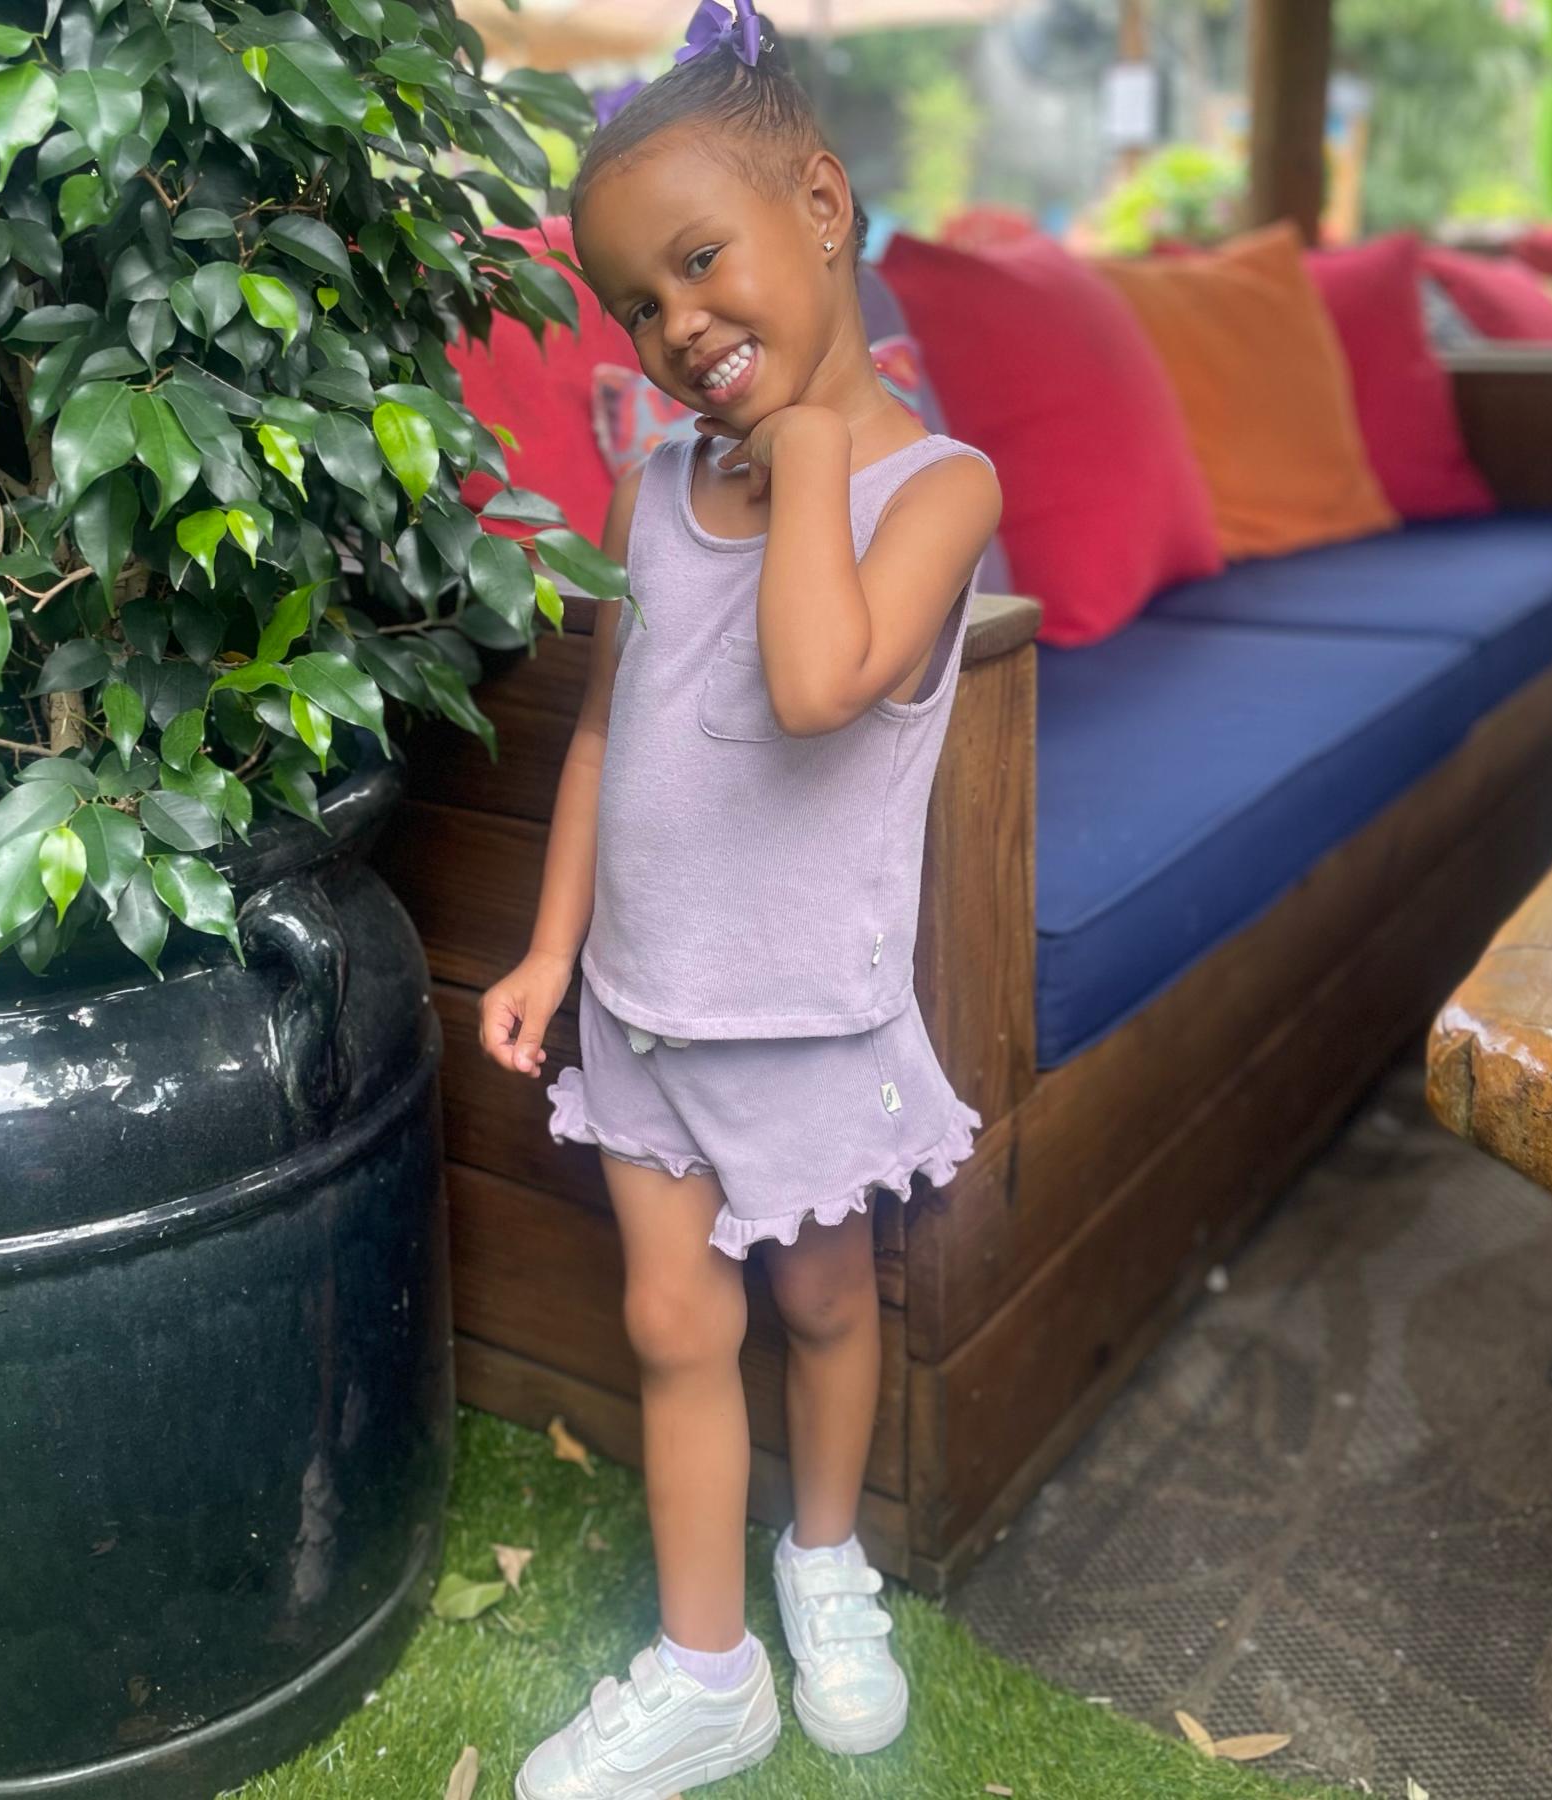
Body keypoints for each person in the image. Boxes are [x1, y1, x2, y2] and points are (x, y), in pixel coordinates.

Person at [476, 2, 1003, 1793]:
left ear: (824, 208)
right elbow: (608, 737)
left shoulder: (938, 488)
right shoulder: (652, 486)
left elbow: (814, 683)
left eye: (701, 262)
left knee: (828, 1304)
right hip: (643, 1005)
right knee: (672, 1323)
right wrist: (553, 948)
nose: (678, 326)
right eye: (638, 304)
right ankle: (710, 1671)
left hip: (804, 1019)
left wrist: (816, 456)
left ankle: (824, 1562)